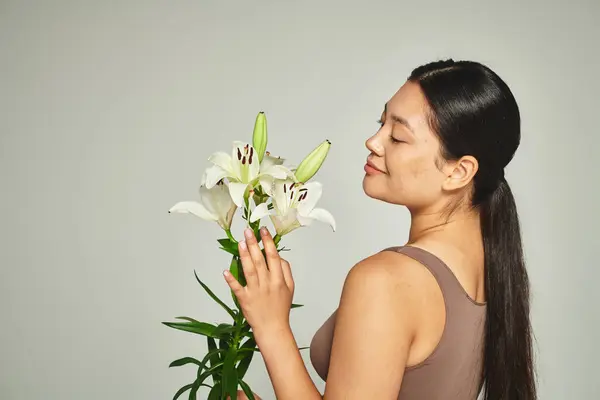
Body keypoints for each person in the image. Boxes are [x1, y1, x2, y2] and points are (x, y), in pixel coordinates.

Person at [223, 59, 536, 400]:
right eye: (380, 123)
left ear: (459, 172)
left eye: (398, 136)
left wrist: (272, 328)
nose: (373, 141)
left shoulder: (386, 281)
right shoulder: (489, 270)